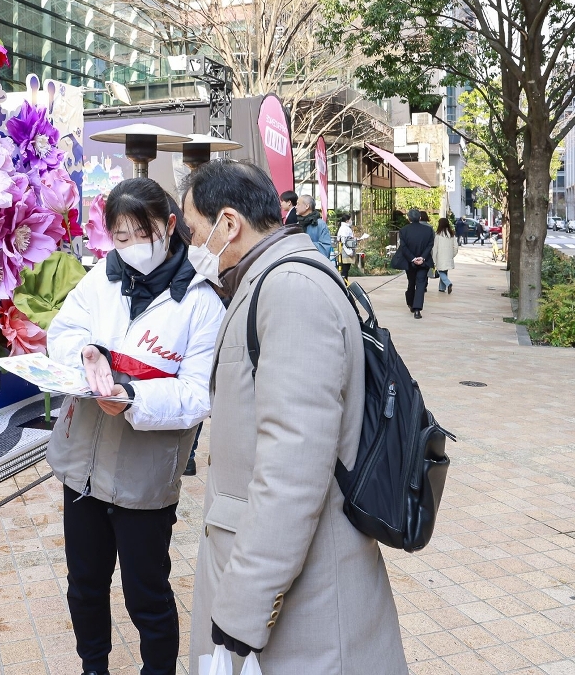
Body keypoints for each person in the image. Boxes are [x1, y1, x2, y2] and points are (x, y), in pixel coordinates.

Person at [182, 160, 407, 674]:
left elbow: (293, 469)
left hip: (303, 605)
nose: (192, 247)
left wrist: (243, 610)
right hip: (292, 583)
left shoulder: (289, 291)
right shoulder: (274, 279)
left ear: (229, 223)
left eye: (194, 232)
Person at [46, 177, 226, 675]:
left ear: (170, 226)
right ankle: (93, 667)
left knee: (146, 592)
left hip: (145, 475)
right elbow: (63, 333)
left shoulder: (201, 300)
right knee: (84, 583)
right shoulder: (100, 279)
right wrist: (85, 353)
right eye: (120, 237)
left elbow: (199, 393)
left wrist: (132, 398)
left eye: (142, 235)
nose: (131, 247)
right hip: (83, 466)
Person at [393, 208, 435, 318]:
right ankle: (417, 310)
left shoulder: (404, 230)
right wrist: (422, 257)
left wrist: (413, 258)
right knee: (421, 284)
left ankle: (411, 303)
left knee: (411, 283)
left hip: (409, 262)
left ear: (409, 218)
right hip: (424, 262)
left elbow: (403, 247)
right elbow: (430, 245)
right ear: (420, 217)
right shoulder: (428, 230)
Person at [293, 194, 336, 261]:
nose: (295, 207)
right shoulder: (297, 224)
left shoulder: (320, 224)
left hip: (315, 264)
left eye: (298, 204)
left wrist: (304, 244)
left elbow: (325, 249)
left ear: (307, 206)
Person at [434, 217, 459, 294]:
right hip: (448, 257)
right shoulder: (452, 234)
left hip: (440, 257)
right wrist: (452, 255)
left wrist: (433, 259)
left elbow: (435, 248)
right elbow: (456, 247)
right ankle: (442, 288)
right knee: (444, 271)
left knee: (440, 271)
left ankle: (448, 283)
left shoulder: (437, 235)